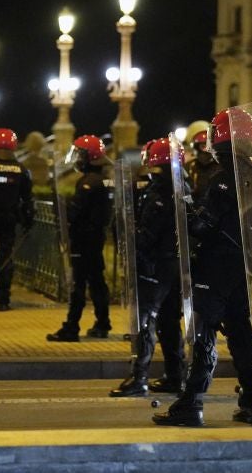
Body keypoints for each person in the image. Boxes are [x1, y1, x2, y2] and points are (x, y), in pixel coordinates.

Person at [153, 109, 252, 426]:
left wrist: (187, 213)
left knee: (203, 333)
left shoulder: (223, 179)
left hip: (216, 266)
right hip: (243, 266)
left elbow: (205, 225)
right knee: (241, 334)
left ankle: (192, 402)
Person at [110, 138, 186, 397]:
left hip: (155, 266)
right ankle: (176, 375)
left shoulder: (158, 193)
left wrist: (131, 238)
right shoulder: (183, 187)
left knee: (144, 320)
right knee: (168, 321)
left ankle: (139, 376)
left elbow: (148, 235)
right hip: (175, 264)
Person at [47, 135, 113, 342]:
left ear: (89, 157)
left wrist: (60, 203)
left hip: (83, 239)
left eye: (79, 155)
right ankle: (102, 323)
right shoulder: (105, 179)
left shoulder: (88, 182)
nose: (77, 159)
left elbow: (75, 212)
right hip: (96, 237)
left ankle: (71, 327)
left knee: (78, 284)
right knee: (97, 281)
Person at [0, 128, 34, 311]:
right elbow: (28, 199)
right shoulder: (22, 170)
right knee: (5, 259)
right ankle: (3, 300)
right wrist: (28, 221)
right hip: (8, 219)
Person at [184, 127, 220, 200]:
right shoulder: (190, 165)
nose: (206, 150)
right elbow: (187, 187)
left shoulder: (219, 164)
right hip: (197, 202)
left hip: (215, 201)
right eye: (203, 146)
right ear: (197, 148)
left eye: (208, 146)